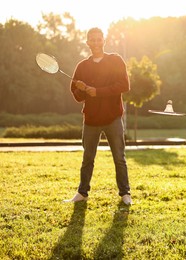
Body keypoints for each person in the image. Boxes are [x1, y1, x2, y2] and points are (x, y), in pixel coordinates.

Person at [65, 27, 132, 205]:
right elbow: (78, 96)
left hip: (113, 118)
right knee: (88, 158)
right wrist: (80, 90)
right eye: (92, 40)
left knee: (119, 157)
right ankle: (82, 193)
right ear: (87, 42)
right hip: (91, 120)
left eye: (98, 39)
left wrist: (98, 92)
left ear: (104, 40)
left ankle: (125, 194)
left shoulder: (115, 60)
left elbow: (124, 85)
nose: (95, 42)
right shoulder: (82, 66)